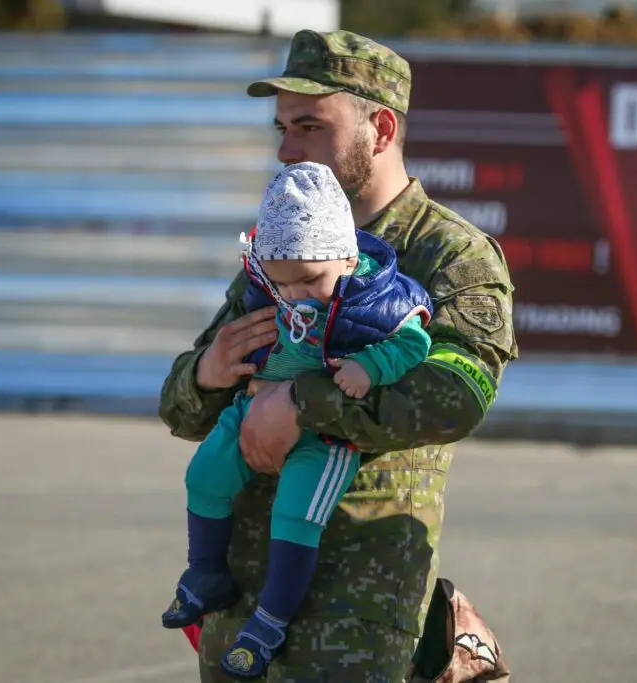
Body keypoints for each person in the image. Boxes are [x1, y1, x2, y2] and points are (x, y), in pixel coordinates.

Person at [158, 28, 517, 682]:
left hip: (354, 616)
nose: (286, 150)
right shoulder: (284, 242)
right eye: (282, 128)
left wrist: (305, 403)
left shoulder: (448, 253)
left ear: (381, 129)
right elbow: (183, 404)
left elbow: (459, 394)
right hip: (237, 606)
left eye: (310, 126)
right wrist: (205, 377)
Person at [161, 160, 434, 681]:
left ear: (348, 256)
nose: (294, 297)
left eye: (309, 281)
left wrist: (366, 369)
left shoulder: (378, 296)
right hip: (249, 411)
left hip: (326, 439)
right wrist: (209, 372)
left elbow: (415, 343)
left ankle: (270, 620)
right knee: (203, 476)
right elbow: (184, 393)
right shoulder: (271, 278)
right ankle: (206, 572)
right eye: (282, 285)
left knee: (296, 513)